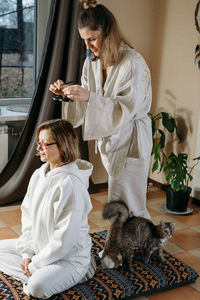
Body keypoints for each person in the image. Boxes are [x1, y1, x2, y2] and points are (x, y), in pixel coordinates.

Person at [49, 0, 152, 219]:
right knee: (119, 200)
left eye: (92, 39)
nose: (88, 47)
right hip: (111, 141)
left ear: (108, 32)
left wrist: (89, 96)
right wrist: (67, 93)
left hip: (131, 141)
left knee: (130, 202)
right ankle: (128, 245)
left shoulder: (132, 62)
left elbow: (127, 108)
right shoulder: (93, 62)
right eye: (84, 40)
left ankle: (134, 246)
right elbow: (88, 100)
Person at [0, 119, 96, 299]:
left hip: (68, 259)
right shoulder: (38, 175)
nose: (39, 148)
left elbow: (64, 240)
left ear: (63, 146)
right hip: (39, 248)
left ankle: (84, 268)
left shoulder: (71, 185)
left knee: (36, 287)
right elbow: (27, 218)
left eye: (45, 144)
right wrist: (27, 254)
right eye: (39, 143)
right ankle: (34, 271)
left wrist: (34, 264)